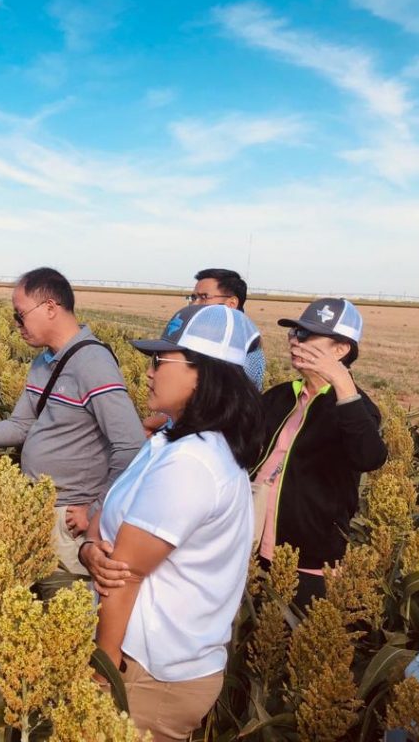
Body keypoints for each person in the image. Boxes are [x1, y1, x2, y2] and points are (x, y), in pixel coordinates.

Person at [81, 304, 263, 741]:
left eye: (160, 361)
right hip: (139, 664)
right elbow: (106, 515)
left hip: (147, 676)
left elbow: (123, 578)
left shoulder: (194, 463)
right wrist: (90, 548)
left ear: (205, 374)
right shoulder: (168, 439)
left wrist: (100, 675)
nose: (147, 371)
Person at [0, 267, 144, 579]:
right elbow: (21, 426)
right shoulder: (42, 364)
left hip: (70, 518)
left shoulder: (93, 364)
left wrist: (96, 510)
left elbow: (132, 444)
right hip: (35, 508)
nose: (16, 325)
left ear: (50, 308)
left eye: (20, 314)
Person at [253, 298, 387, 608]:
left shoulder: (357, 408)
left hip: (308, 563)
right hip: (253, 550)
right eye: (294, 333)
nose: (294, 341)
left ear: (341, 350)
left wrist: (341, 381)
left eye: (307, 335)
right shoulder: (281, 396)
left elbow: (369, 457)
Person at [143, 268, 264, 436]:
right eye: (193, 297)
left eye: (203, 297)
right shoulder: (201, 335)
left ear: (231, 303)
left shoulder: (244, 348)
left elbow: (230, 406)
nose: (194, 303)